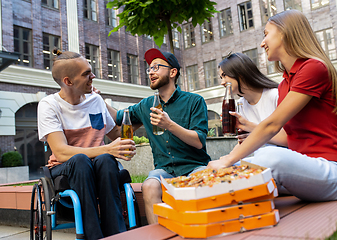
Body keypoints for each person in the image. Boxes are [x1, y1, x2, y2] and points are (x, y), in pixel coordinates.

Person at [208, 10, 337, 202]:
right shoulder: (286, 83)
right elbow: (288, 137)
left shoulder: (313, 68)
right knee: (238, 169)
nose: (263, 43)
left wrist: (227, 160)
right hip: (309, 168)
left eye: (266, 34)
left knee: (267, 156)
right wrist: (245, 134)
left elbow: (272, 125)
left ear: (284, 33)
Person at [37, 49, 136, 240]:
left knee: (106, 159)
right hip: (64, 168)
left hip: (98, 165)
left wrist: (141, 120)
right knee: (82, 160)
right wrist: (108, 148)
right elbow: (61, 152)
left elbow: (117, 133)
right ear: (68, 81)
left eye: (91, 71)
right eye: (86, 74)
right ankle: (93, 236)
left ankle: (116, 234)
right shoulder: (49, 105)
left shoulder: (96, 100)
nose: (93, 76)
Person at [106, 48, 211, 224]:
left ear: (172, 72)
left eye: (156, 67)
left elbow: (199, 141)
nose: (151, 72)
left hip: (195, 166)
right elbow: (118, 117)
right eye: (150, 69)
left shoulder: (194, 101)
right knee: (149, 186)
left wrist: (169, 125)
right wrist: (95, 98)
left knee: (203, 182)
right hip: (164, 170)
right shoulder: (146, 105)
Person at [218, 52, 284, 145]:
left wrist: (252, 130)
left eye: (225, 75)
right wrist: (227, 158)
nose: (222, 82)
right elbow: (243, 143)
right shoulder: (241, 104)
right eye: (221, 77)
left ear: (240, 73)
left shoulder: (275, 95)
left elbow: (289, 139)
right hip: (259, 156)